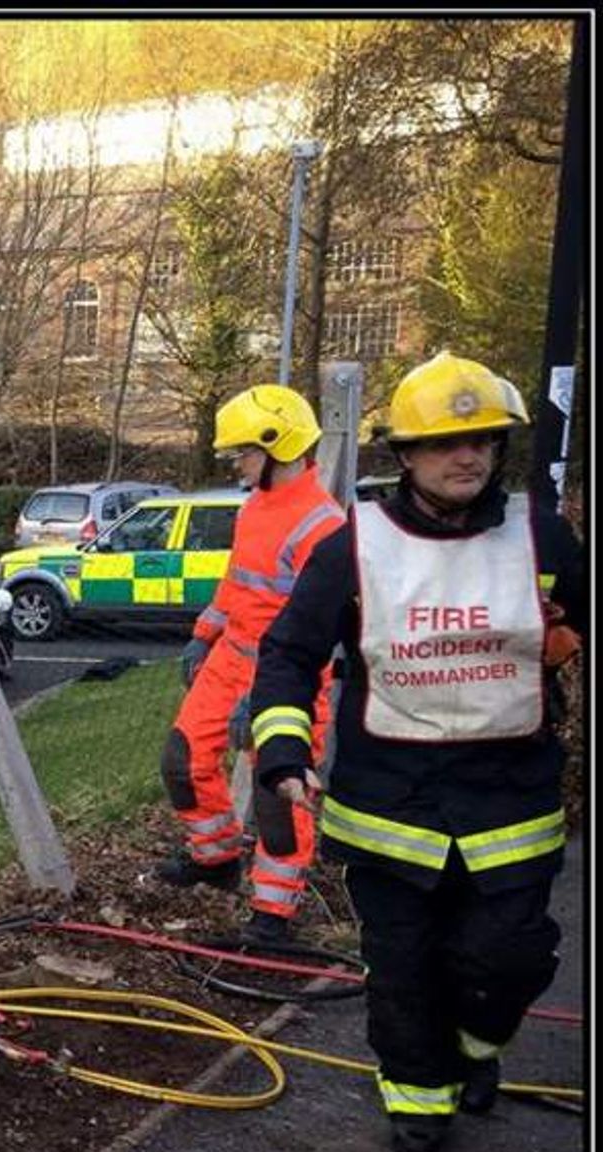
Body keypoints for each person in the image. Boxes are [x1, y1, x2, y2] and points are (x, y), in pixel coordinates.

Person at [250, 353, 585, 1152]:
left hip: (511, 804)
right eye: (444, 443)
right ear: (404, 455)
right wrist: (284, 752)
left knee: (509, 959)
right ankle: (418, 1109)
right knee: (402, 974)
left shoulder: (540, 534)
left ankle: (477, 1047)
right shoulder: (352, 547)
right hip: (388, 809)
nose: (467, 456)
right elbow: (288, 655)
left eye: (482, 440)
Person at [155, 383, 346, 946]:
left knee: (278, 791)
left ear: (278, 446)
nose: (237, 462)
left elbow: (317, 627)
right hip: (230, 659)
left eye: (243, 451)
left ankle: (273, 915)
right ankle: (214, 860)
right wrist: (203, 636)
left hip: (287, 678)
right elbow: (238, 583)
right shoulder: (257, 507)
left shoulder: (323, 526)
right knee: (181, 760)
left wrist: (262, 696)